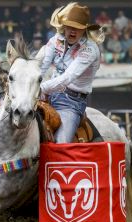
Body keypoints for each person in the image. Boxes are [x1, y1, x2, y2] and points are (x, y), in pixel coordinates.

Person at [39, 2, 103, 143]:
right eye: (70, 26)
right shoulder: (55, 41)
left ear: (84, 29)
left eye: (78, 28)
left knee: (61, 144)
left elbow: (68, 77)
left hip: (71, 103)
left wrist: (40, 88)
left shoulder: (90, 50)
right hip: (49, 96)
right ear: (64, 26)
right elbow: (41, 67)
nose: (73, 31)